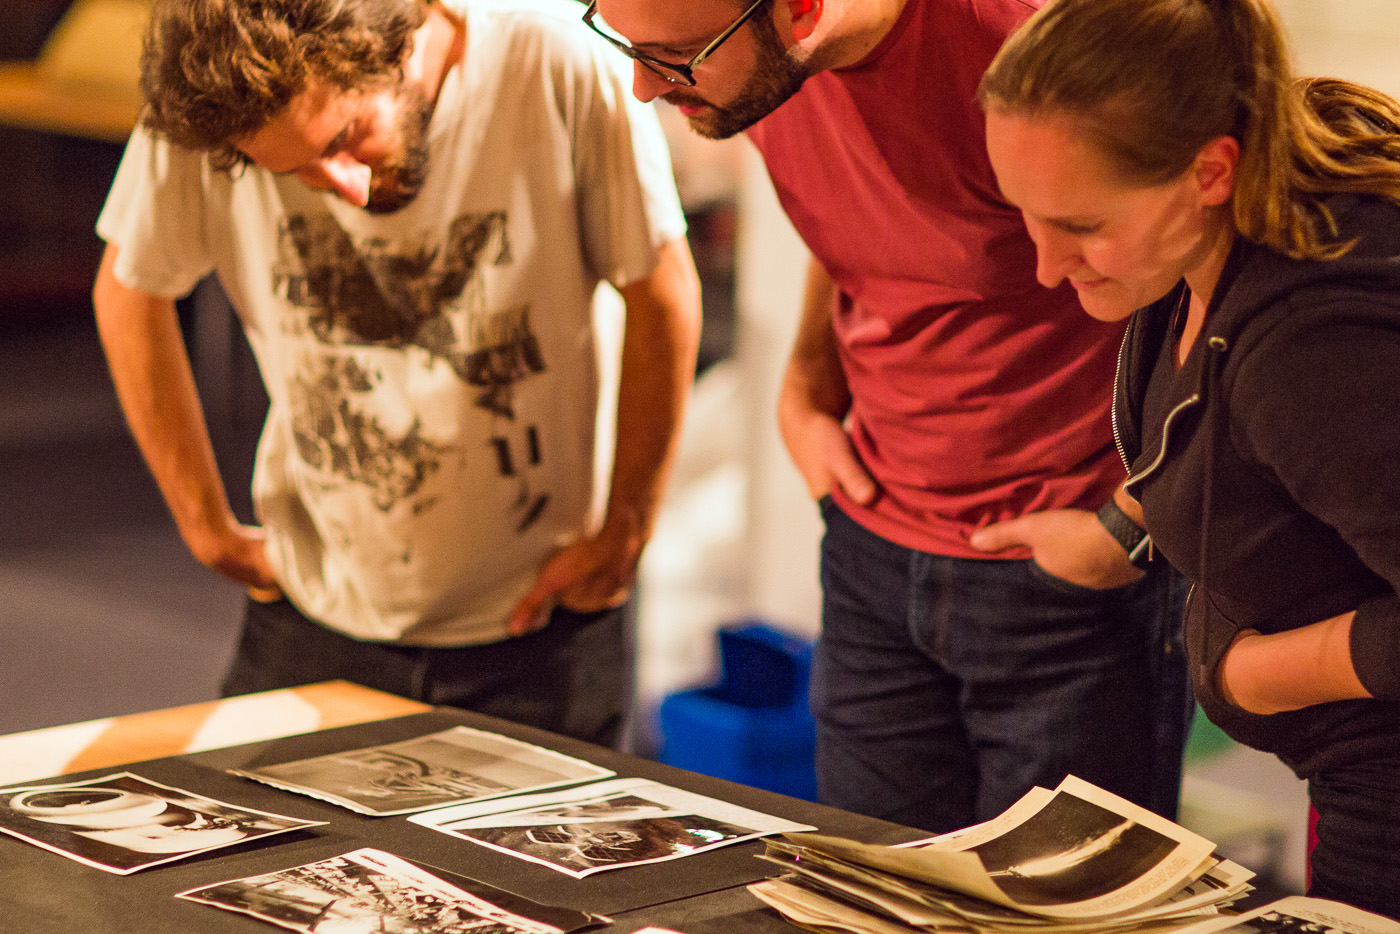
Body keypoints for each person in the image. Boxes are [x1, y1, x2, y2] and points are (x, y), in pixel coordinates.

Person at [586, 0, 1191, 830]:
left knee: (1049, 919)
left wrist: (1132, 524)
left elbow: (1216, 275)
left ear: (801, 10)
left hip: (1063, 576)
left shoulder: (1034, 43)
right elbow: (862, 216)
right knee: (876, 900)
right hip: (874, 556)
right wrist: (805, 388)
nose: (644, 86)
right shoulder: (749, 75)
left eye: (677, 57)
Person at [93, 0, 701, 747]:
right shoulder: (212, 100)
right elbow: (128, 289)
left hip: (541, 619)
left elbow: (662, 291)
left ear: (401, 40)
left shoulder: (556, 60)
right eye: (294, 172)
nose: (341, 186)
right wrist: (202, 523)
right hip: (312, 612)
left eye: (347, 138)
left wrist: (629, 523)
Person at [979, 0, 1400, 915]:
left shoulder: (1309, 349)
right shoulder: (1210, 240)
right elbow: (1212, 431)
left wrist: (1251, 673)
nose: (1047, 266)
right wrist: (1126, 529)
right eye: (1027, 216)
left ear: (1211, 169)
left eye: (1081, 225)